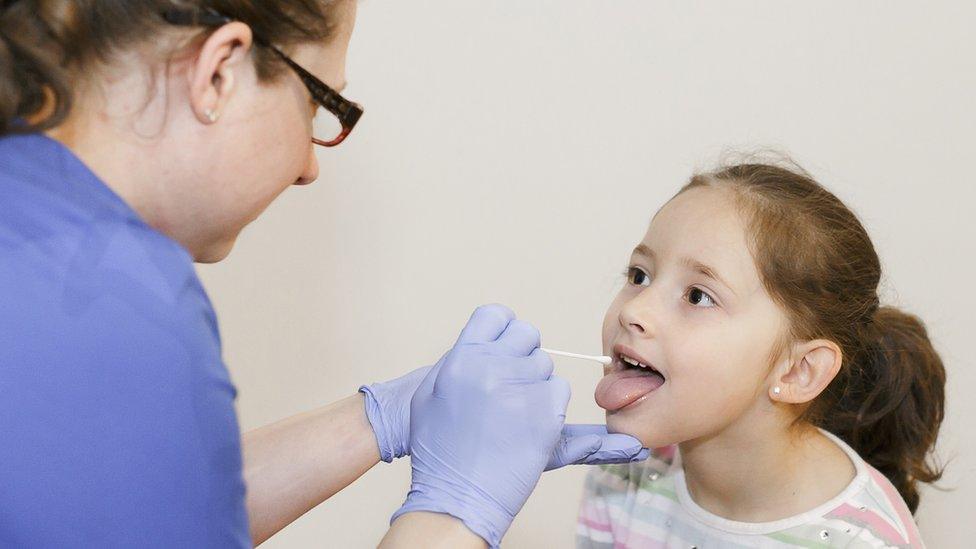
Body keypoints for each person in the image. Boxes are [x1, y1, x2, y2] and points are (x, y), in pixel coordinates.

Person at [0, 1, 647, 547]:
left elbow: (140, 506)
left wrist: (378, 420)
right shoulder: (110, 302)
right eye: (318, 108)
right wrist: (457, 506)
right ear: (220, 70)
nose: (310, 166)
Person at [575, 160, 945, 548]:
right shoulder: (624, 477)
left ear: (798, 371)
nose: (634, 311)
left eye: (698, 296)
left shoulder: (860, 542)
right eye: (639, 276)